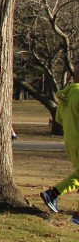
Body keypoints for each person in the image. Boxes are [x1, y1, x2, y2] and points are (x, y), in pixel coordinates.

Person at [39, 82, 79, 225]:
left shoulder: (66, 94)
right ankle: (53, 194)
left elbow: (59, 119)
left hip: (70, 139)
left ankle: (54, 194)